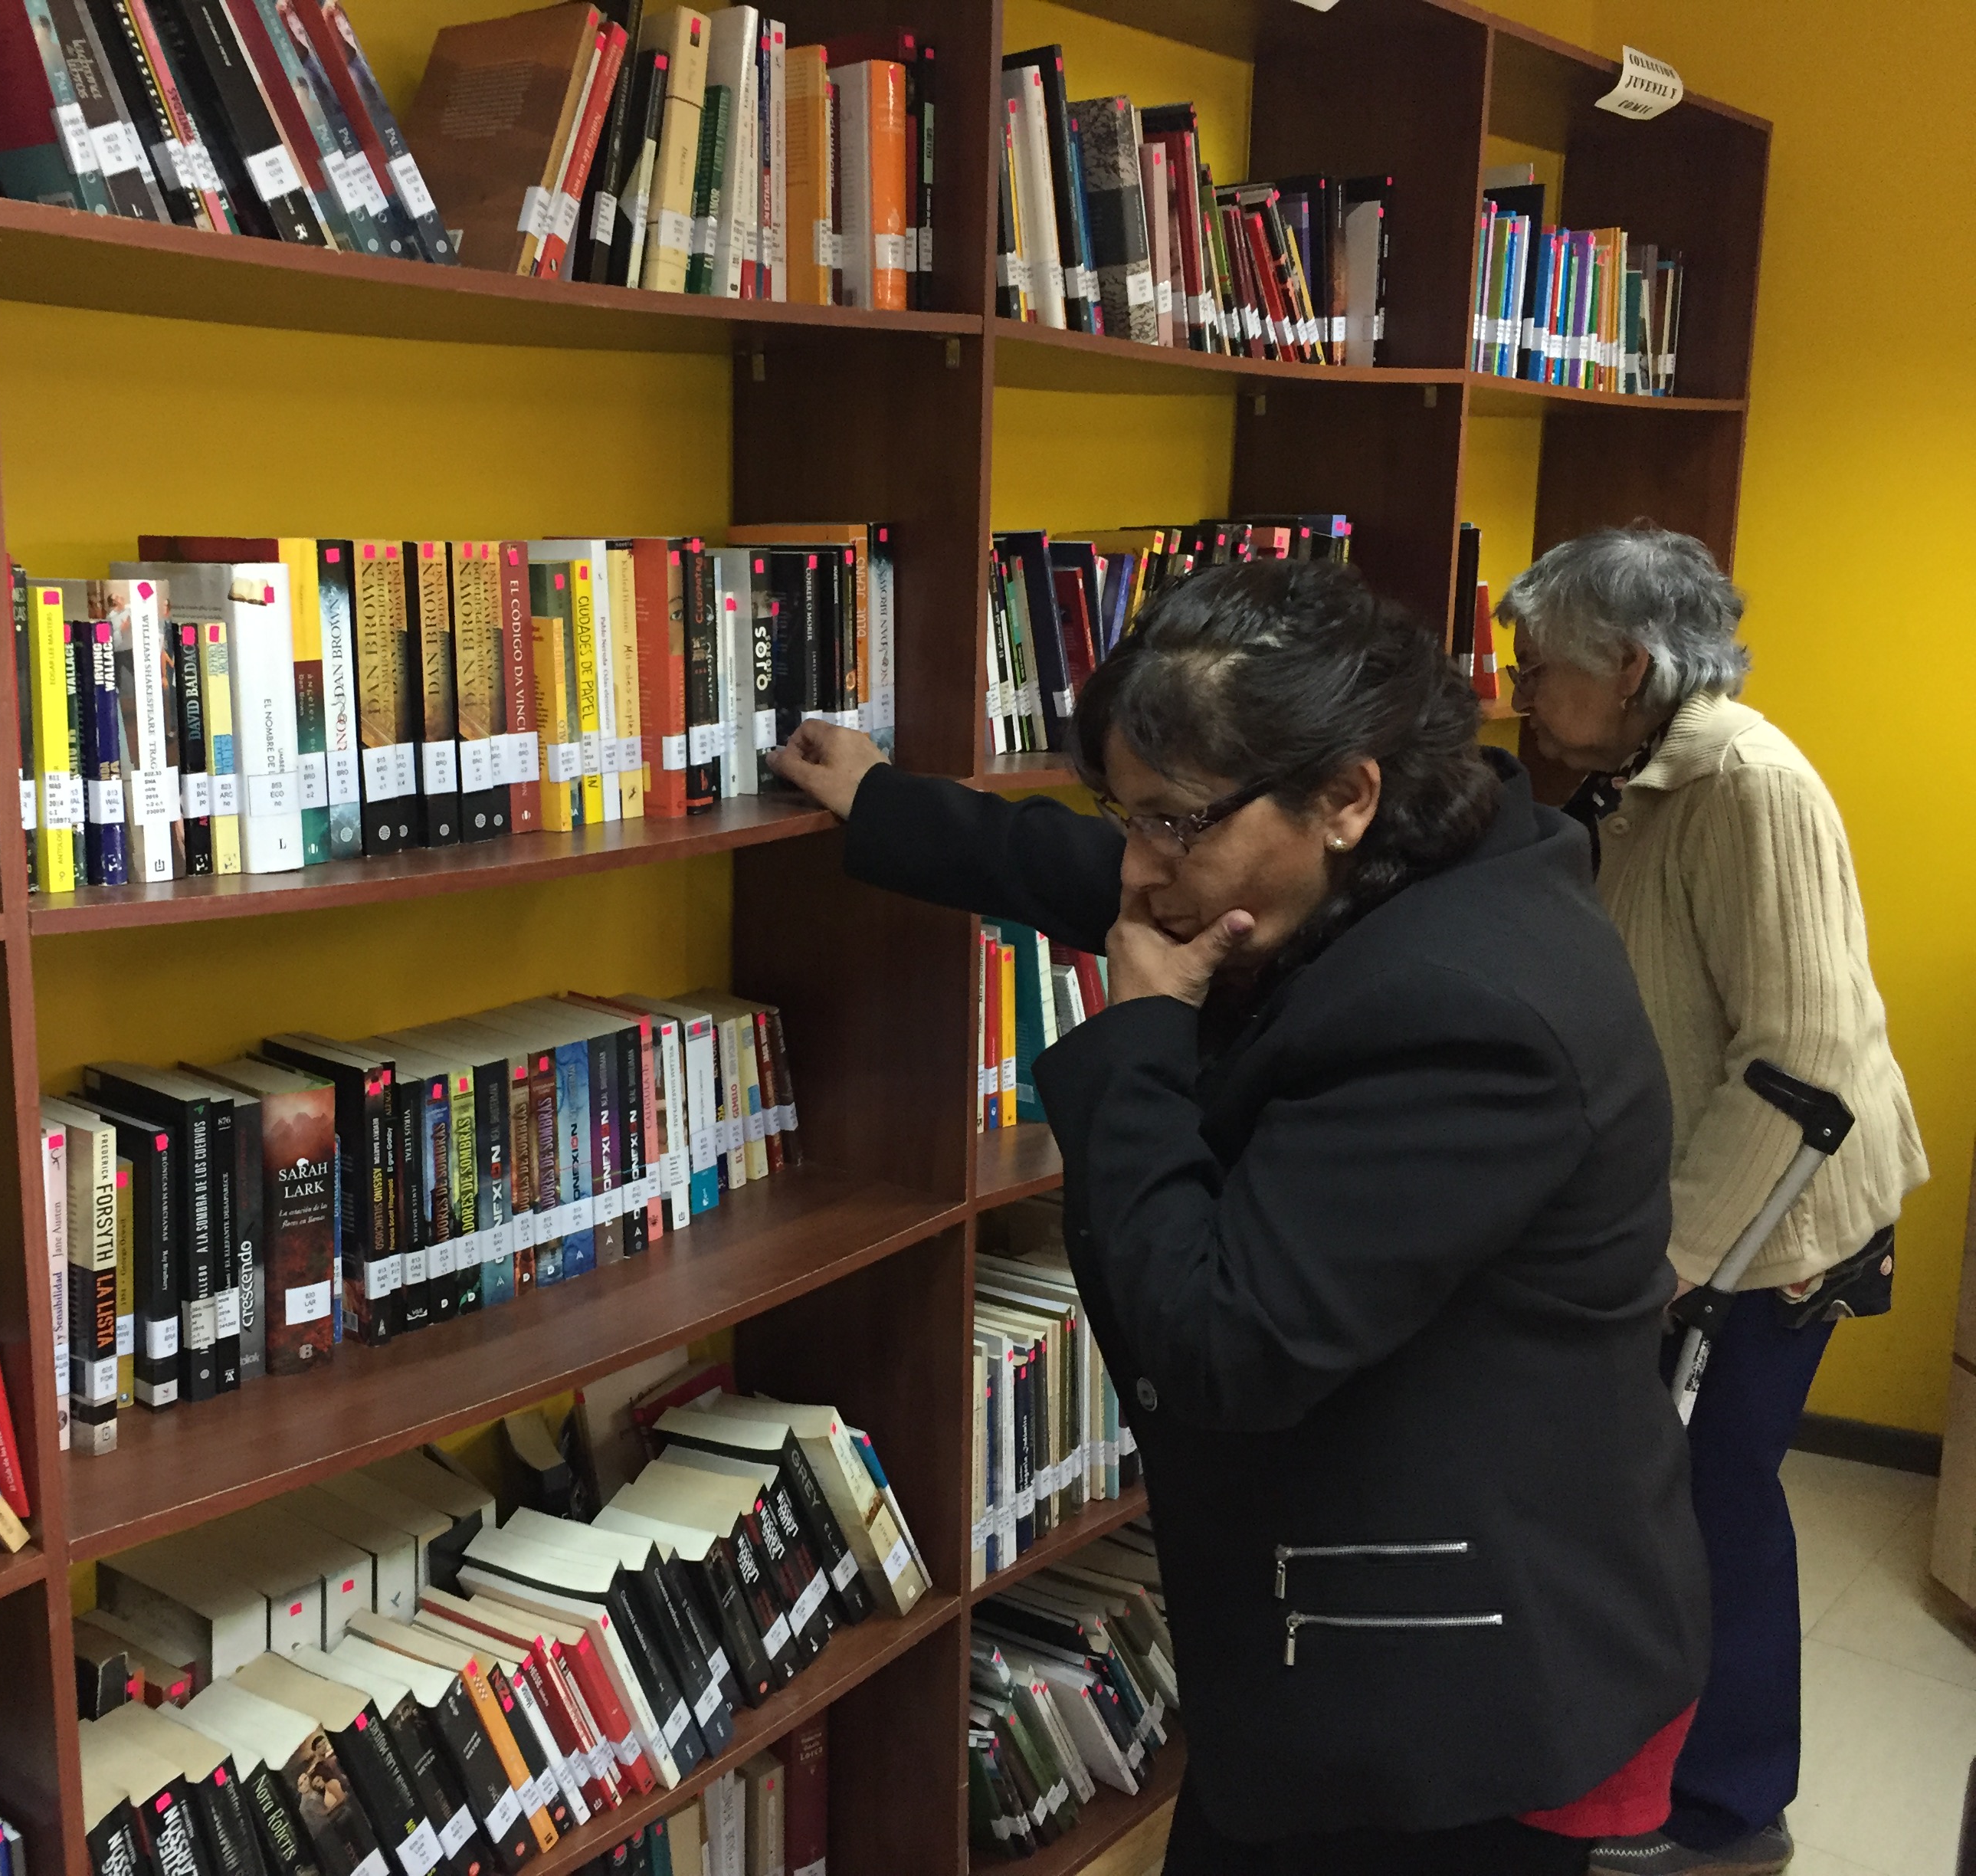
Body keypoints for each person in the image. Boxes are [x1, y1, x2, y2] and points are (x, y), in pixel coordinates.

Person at [772, 558, 1709, 1875]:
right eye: (1129, 813)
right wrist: (889, 804)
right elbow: (1124, 872)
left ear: (1347, 795)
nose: (1142, 864)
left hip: (1453, 1693)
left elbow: (1219, 1341)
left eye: (1173, 822)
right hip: (1379, 1640)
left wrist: (1141, 1038)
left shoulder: (1467, 1011)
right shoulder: (1415, 857)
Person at [1496, 527, 1927, 1876]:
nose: (1520, 691)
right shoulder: (1638, 779)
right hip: (1703, 1214)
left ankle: (1732, 1811)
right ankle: (1650, 1775)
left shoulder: (1746, 783)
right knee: (1675, 1506)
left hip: (1773, 1231)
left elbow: (1806, 1067)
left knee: (1714, 1508)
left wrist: (1679, 1258)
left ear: (1629, 666)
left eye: (1539, 665)